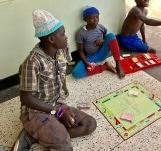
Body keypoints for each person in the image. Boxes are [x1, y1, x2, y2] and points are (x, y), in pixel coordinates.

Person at [12, 9, 97, 151]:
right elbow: (26, 99)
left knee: (90, 124)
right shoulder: (32, 62)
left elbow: (61, 71)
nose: (66, 37)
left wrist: (63, 92)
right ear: (51, 39)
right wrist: (59, 112)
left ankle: (37, 135)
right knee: (65, 148)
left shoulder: (62, 49)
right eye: (63, 34)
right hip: (35, 111)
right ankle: (36, 132)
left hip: (57, 104)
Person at [72, 6, 125, 79]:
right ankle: (105, 66)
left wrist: (102, 41)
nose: (95, 19)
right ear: (85, 19)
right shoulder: (81, 33)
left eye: (97, 17)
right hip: (90, 57)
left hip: (103, 53)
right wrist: (86, 62)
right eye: (91, 18)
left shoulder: (101, 27)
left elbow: (107, 39)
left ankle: (118, 65)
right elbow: (80, 51)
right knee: (76, 73)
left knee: (111, 35)